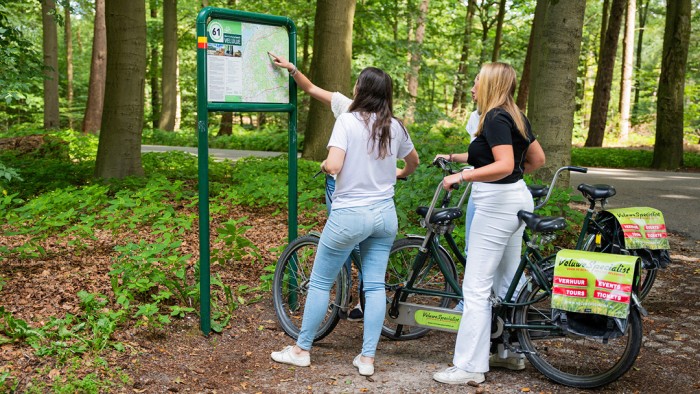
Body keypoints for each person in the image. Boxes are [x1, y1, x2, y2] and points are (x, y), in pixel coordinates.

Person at [270, 67, 420, 376]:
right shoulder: (395, 126)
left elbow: (335, 163)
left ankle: (301, 349)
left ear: (362, 89)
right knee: (376, 285)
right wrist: (400, 173)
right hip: (384, 215)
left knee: (322, 281)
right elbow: (413, 162)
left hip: (350, 214)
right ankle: (366, 358)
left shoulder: (347, 121)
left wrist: (327, 164)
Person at [432, 62, 545, 385]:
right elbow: (534, 160)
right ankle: (510, 354)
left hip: (496, 204)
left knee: (477, 287)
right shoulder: (515, 115)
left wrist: (463, 176)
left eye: (477, 81)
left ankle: (469, 366)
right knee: (508, 278)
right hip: (517, 198)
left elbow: (504, 162)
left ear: (491, 84)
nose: (472, 86)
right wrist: (457, 159)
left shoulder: (494, 117)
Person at [269, 52, 363, 321]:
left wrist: (326, 165)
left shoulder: (350, 111)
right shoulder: (375, 114)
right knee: (361, 245)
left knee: (343, 241)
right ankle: (349, 298)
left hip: (341, 185)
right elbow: (310, 88)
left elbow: (333, 164)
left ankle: (346, 299)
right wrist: (292, 69)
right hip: (368, 193)